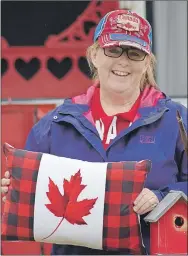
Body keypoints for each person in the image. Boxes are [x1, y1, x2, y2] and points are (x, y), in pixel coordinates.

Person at [1, 9, 187, 255]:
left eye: (134, 53)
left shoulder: (175, 120)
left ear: (146, 62)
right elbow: (27, 193)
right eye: (113, 50)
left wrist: (162, 197)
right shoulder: (56, 124)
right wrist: (11, 189)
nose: (123, 61)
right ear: (95, 55)